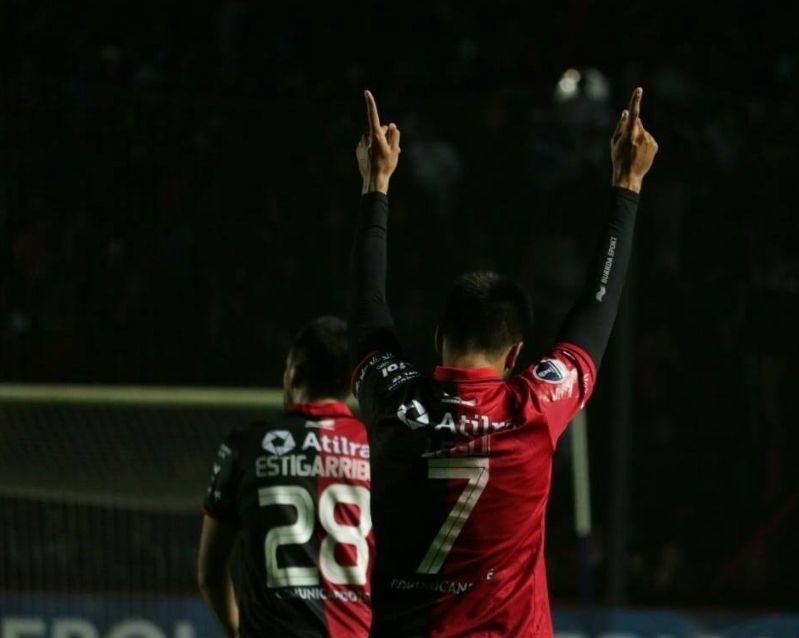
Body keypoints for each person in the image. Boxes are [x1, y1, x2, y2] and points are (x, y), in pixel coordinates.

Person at [350, 87, 657, 637]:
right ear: (516, 354)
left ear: (438, 337)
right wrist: (627, 185)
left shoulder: (394, 401)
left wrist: (376, 186)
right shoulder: (532, 409)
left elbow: (368, 305)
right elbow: (596, 310)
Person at [198, 316, 374, 638]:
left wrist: (237, 631)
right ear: (349, 386)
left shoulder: (245, 447)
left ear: (293, 375)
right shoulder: (377, 449)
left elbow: (210, 574)